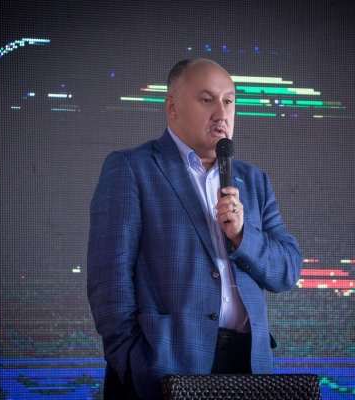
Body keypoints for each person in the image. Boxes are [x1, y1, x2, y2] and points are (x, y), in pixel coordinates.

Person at [87, 58, 303, 399]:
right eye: (207, 100)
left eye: (228, 101)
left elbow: (287, 271)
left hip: (248, 365)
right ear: (172, 106)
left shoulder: (253, 181)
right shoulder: (132, 168)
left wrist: (242, 236)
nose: (221, 113)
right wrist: (131, 359)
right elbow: (108, 278)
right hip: (164, 364)